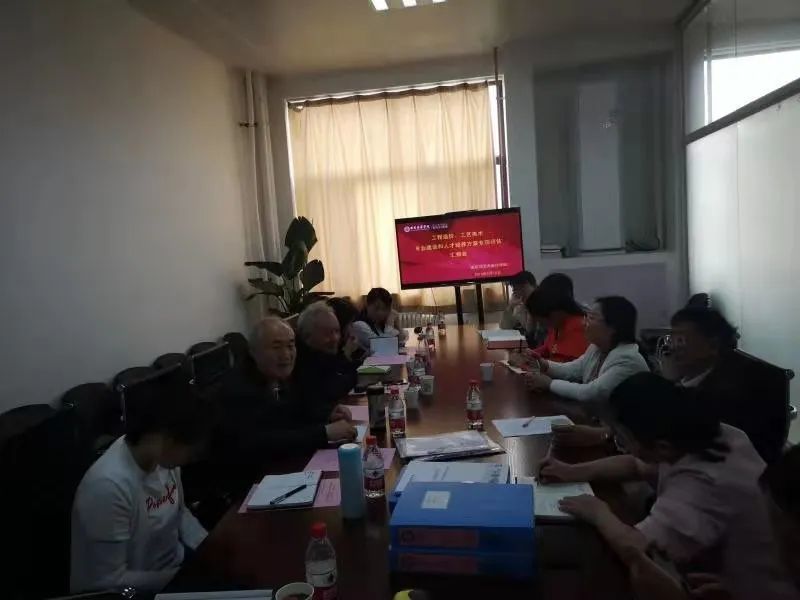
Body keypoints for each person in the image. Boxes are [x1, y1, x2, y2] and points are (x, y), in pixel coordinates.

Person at [538, 373, 797, 600]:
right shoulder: (704, 431)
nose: (620, 444)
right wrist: (571, 471)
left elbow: (639, 549)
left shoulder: (703, 484)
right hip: (730, 582)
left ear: (661, 447)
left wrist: (598, 513)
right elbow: (636, 465)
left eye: (623, 439)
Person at [70, 376, 213, 593]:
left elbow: (180, 513)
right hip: (141, 588)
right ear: (166, 439)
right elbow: (107, 581)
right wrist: (184, 577)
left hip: (174, 567)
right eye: (191, 450)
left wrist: (209, 547)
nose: (192, 458)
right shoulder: (108, 487)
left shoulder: (162, 458)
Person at [215, 317, 357, 493]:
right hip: (249, 488)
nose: (286, 355)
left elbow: (291, 416)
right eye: (276, 347)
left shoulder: (277, 375)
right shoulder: (239, 388)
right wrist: (324, 432)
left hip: (281, 473)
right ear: (253, 351)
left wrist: (327, 415)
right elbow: (265, 441)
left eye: (290, 346)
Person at [670, 307, 787, 464]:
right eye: (672, 338)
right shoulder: (694, 376)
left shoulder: (731, 393)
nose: (673, 347)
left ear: (713, 346)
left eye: (681, 340)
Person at [525, 296, 649, 402]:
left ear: (613, 327)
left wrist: (549, 384)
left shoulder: (627, 359)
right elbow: (574, 370)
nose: (584, 323)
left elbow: (591, 393)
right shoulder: (597, 348)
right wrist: (545, 365)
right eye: (586, 317)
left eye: (591, 318)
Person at [293, 301, 363, 419]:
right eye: (327, 334)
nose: (335, 338)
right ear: (307, 336)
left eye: (336, 331)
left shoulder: (323, 354)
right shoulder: (302, 362)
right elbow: (332, 388)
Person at [524, 273, 588, 363]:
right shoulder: (556, 324)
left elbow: (571, 367)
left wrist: (539, 364)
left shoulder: (580, 327)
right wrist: (527, 355)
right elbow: (547, 348)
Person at [500, 270, 546, 348]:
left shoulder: (545, 303)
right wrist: (510, 307)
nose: (519, 292)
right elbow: (504, 327)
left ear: (533, 285)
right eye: (515, 290)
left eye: (522, 288)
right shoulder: (520, 306)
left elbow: (536, 335)